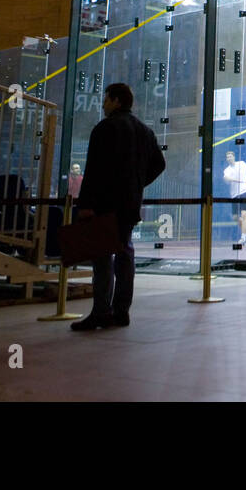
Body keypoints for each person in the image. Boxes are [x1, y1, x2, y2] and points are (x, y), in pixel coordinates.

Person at [71, 83, 165, 331]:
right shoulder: (146, 131)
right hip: (129, 203)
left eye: (106, 99)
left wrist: (86, 204)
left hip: (104, 203)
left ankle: (101, 311)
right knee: (125, 253)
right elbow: (159, 164)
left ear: (116, 101)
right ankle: (121, 311)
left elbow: (94, 170)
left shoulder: (105, 128)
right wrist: (136, 184)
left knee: (102, 258)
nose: (103, 104)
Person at [222, 151, 246, 242]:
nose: (229, 158)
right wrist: (234, 179)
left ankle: (243, 237)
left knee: (244, 214)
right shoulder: (226, 170)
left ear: (234, 157)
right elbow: (226, 179)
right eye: (227, 157)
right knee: (235, 217)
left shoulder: (242, 164)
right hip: (234, 195)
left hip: (245, 192)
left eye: (230, 156)